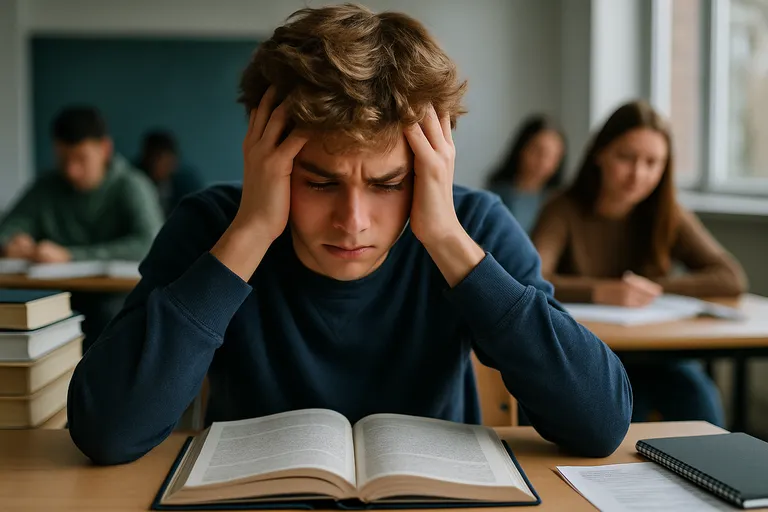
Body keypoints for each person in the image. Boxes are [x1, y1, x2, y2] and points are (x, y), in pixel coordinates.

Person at [67, 4, 631, 466]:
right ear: (267, 157)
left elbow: (601, 422)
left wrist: (446, 240)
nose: (353, 220)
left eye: (388, 183)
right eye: (318, 182)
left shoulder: (473, 227)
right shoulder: (213, 227)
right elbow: (108, 431)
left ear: (433, 164)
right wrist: (253, 231)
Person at [531, 100, 747, 427]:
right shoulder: (562, 209)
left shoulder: (668, 212)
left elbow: (730, 276)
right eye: (626, 158)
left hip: (658, 354)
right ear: (600, 154)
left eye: (653, 163)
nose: (639, 174)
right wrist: (603, 290)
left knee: (698, 396)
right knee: (626, 410)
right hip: (589, 357)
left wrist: (653, 289)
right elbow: (533, 278)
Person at [0, 106, 164, 349]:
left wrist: (69, 255)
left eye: (81, 159)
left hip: (113, 300)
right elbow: (9, 228)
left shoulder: (132, 186)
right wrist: (12, 242)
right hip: (56, 296)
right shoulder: (47, 187)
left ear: (104, 149)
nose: (71, 170)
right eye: (63, 159)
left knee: (109, 318)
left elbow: (149, 243)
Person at [487, 116, 566, 233]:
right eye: (538, 151)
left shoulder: (559, 203)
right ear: (522, 149)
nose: (543, 162)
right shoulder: (495, 197)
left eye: (552, 156)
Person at [135, 130, 204, 217]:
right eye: (156, 159)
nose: (159, 165)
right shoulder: (132, 179)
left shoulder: (187, 181)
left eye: (166, 161)